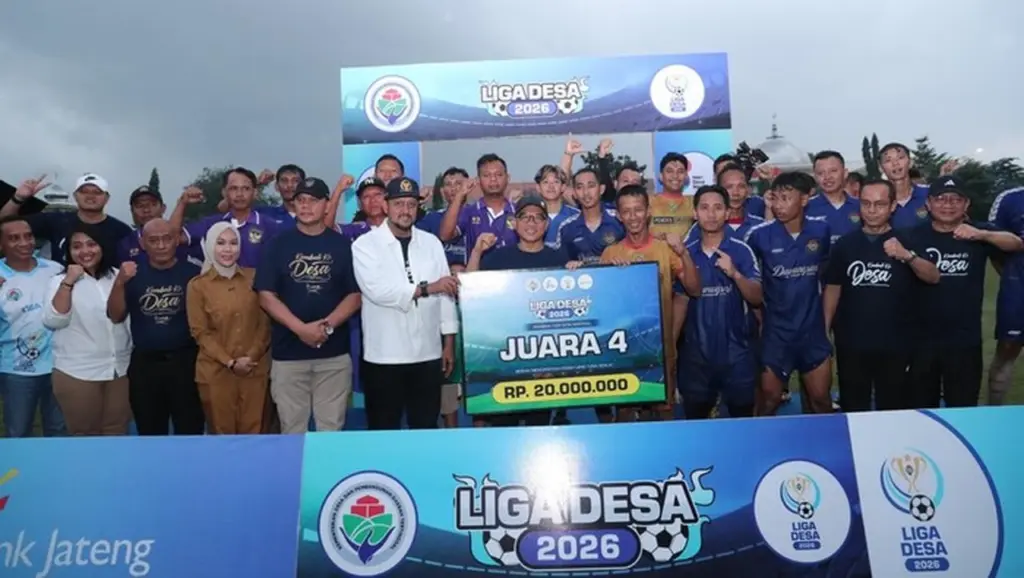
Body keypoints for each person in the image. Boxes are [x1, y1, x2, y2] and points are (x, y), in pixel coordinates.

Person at [254, 177, 361, 433]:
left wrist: (325, 327)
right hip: (288, 357)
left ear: (327, 205)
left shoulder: (342, 245)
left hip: (333, 357)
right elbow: (265, 295)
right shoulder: (277, 244)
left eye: (313, 200)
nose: (305, 205)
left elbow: (355, 295)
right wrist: (301, 329)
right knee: (292, 431)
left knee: (330, 431)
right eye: (300, 200)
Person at [822, 179, 940, 412]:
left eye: (880, 204)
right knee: (854, 407)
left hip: (897, 343)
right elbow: (833, 288)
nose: (872, 210)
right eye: (866, 203)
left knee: (893, 407)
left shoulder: (908, 240)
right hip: (852, 342)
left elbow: (933, 276)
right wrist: (825, 329)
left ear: (893, 206)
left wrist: (907, 256)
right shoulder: (845, 245)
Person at [467, 194, 582, 427]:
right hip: (505, 360)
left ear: (546, 224)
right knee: (503, 427)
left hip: (542, 364)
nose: (531, 223)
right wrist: (477, 252)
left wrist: (577, 273)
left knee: (538, 427)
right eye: (525, 217)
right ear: (514, 222)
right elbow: (469, 292)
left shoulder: (558, 259)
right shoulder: (497, 258)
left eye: (538, 218)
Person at [353, 177, 458, 430]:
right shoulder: (365, 245)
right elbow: (376, 290)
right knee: (383, 430)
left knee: (425, 427)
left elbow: (446, 293)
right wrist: (426, 288)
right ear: (385, 206)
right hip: (384, 355)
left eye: (411, 204)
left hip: (428, 353)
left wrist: (448, 343)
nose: (405, 210)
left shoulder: (431, 242)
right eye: (399, 204)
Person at [910, 176, 1024, 408]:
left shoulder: (978, 232)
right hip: (920, 341)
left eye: (955, 199)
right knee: (921, 408)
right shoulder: (912, 235)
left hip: (964, 341)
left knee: (963, 407)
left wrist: (982, 234)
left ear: (966, 204)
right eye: (941, 199)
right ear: (928, 203)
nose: (948, 205)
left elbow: (1016, 243)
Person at [601, 185, 700, 422]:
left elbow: (694, 289)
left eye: (638, 210)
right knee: (625, 413)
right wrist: (610, 276)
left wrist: (684, 253)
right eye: (626, 211)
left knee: (664, 412)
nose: (633, 217)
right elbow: (602, 307)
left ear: (648, 212)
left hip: (661, 350)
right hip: (624, 351)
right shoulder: (610, 253)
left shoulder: (666, 249)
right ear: (619, 215)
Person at [744, 172, 834, 416]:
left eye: (786, 198)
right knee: (769, 401)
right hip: (776, 335)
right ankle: (761, 440)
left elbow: (829, 278)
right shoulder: (759, 235)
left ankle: (823, 441)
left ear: (804, 199)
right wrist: (759, 321)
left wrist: (825, 323)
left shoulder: (821, 230)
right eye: (775, 198)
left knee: (821, 401)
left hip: (812, 333)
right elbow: (751, 284)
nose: (778, 205)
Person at [106, 219, 204, 436]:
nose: (161, 246)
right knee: (149, 431)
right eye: (153, 240)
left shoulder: (194, 273)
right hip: (145, 365)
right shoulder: (131, 273)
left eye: (167, 239)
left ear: (176, 240)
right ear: (142, 243)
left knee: (190, 430)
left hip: (186, 363)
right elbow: (115, 315)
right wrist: (119, 282)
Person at [679, 186, 762, 419]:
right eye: (704, 208)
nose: (711, 214)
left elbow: (757, 297)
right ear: (695, 213)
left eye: (717, 208)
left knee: (741, 420)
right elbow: (678, 302)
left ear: (727, 213)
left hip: (736, 354)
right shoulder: (684, 254)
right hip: (696, 356)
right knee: (695, 421)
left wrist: (735, 274)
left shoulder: (741, 251)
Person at [42, 223, 131, 436]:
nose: (85, 251)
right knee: (84, 434)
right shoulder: (59, 281)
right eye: (77, 246)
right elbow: (54, 320)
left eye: (91, 244)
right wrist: (68, 282)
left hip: (120, 369)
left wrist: (122, 282)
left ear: (103, 246)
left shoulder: (119, 276)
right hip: (78, 373)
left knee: (117, 431)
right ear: (69, 251)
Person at [187, 222, 271, 434]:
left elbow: (265, 323)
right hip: (216, 374)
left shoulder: (255, 278)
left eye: (233, 243)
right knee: (221, 436)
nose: (228, 249)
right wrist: (230, 362)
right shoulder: (197, 286)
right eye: (221, 243)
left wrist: (250, 357)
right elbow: (200, 333)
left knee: (255, 434)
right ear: (210, 246)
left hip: (254, 369)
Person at [0, 216, 66, 437]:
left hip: (59, 366)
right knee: (18, 433)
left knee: (59, 431)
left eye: (28, 236)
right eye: (14, 238)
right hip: (16, 371)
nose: (24, 243)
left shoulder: (55, 270)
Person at [3, 174, 132, 266]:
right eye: (84, 191)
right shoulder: (55, 220)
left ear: (107, 198)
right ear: (75, 196)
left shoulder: (122, 231)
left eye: (97, 192)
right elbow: (4, 224)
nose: (90, 196)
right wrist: (18, 198)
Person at [170, 167, 285, 268]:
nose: (239, 194)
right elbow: (173, 238)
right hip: (218, 286)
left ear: (255, 193)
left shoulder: (271, 227)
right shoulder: (211, 224)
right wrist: (182, 203)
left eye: (246, 188)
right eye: (234, 188)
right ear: (224, 193)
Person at [986, 186, 1024, 405]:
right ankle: (994, 412)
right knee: (1007, 350)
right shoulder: (1010, 198)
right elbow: (994, 247)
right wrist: (1012, 277)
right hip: (1017, 289)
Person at [439, 153, 517, 252]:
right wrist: (460, 195)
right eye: (486, 175)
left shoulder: (518, 211)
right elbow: (445, 236)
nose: (493, 179)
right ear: (478, 180)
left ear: (508, 178)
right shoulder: (469, 212)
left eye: (498, 175)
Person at [117, 185, 203, 265]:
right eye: (140, 206)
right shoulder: (126, 244)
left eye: (152, 204)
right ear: (132, 211)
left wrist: (183, 202)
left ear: (163, 208)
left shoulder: (184, 234)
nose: (146, 210)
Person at [808, 151, 861, 243]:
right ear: (815, 177)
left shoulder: (861, 206)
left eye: (833, 171)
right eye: (821, 173)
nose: (827, 177)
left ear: (845, 173)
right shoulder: (804, 208)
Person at [878, 143, 930, 230]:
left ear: (910, 162)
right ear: (880, 168)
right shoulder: (877, 201)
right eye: (888, 160)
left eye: (900, 158)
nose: (895, 163)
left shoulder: (929, 193)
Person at [534, 165, 579, 245]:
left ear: (563, 187)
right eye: (546, 182)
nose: (551, 186)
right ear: (538, 187)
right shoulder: (531, 217)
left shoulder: (576, 216)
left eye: (556, 182)